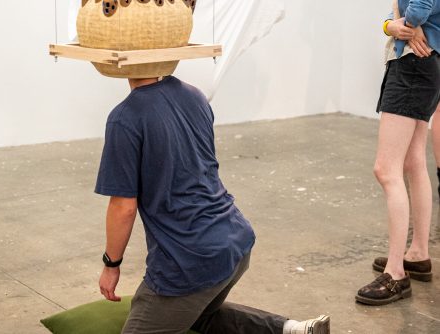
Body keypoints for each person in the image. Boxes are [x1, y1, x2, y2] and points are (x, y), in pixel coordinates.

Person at [95, 76, 330, 333]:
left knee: (184, 303)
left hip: (189, 260)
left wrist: (111, 265)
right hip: (235, 241)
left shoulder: (125, 118)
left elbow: (123, 207)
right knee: (199, 315)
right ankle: (293, 330)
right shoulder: (194, 95)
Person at [356, 0, 440, 306]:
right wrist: (392, 25)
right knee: (413, 161)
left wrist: (408, 23)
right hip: (425, 65)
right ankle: (418, 254)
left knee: (386, 169)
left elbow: (419, 8)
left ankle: (396, 273)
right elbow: (393, 19)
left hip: (412, 67)